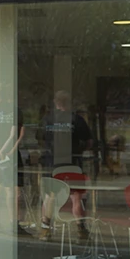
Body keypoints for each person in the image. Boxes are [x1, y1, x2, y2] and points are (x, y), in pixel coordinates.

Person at [36, 90, 93, 240]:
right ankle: (81, 229)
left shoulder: (48, 119)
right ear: (69, 103)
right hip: (73, 163)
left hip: (52, 163)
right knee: (76, 196)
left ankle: (45, 229)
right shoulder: (77, 120)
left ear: (55, 102)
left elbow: (40, 139)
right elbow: (89, 142)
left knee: (50, 196)